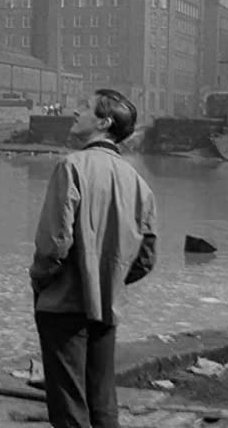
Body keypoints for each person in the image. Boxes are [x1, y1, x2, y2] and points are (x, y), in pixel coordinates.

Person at [29, 89, 157, 428]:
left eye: (84, 107)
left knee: (69, 406)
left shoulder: (71, 166)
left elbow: (53, 245)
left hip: (64, 304)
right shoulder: (139, 184)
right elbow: (145, 259)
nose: (75, 112)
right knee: (102, 403)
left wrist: (41, 281)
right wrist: (110, 279)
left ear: (104, 121)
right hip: (108, 305)